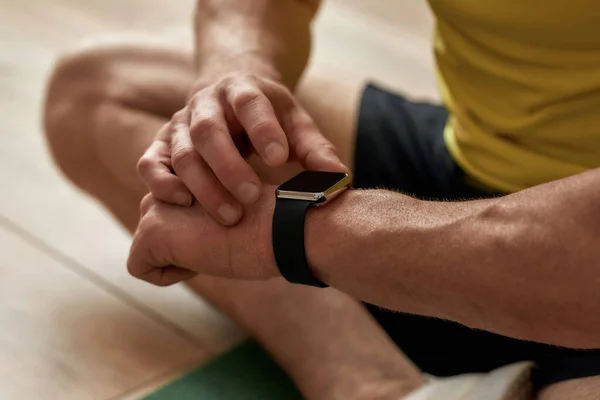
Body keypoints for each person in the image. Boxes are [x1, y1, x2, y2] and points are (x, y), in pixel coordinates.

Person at [43, 0, 600, 399]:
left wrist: (292, 233)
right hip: (467, 167)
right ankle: (373, 386)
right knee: (97, 91)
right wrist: (238, 82)